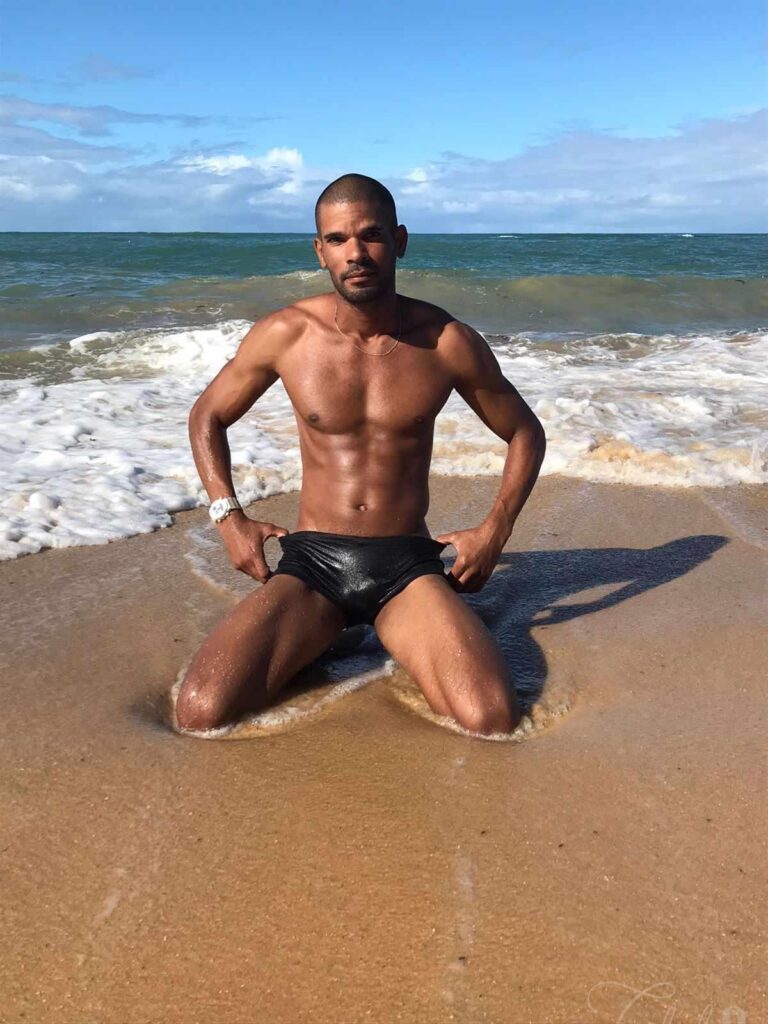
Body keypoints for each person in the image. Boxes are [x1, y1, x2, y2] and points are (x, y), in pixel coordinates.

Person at [175, 174, 546, 736]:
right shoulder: (286, 334)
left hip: (406, 565)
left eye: (371, 235)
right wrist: (229, 518)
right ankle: (325, 630)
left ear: (399, 241)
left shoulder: (446, 341)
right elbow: (207, 415)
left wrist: (495, 530)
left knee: (490, 716)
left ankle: (367, 634)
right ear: (319, 250)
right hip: (313, 564)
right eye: (338, 239)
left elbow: (525, 432)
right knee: (202, 709)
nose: (356, 253)